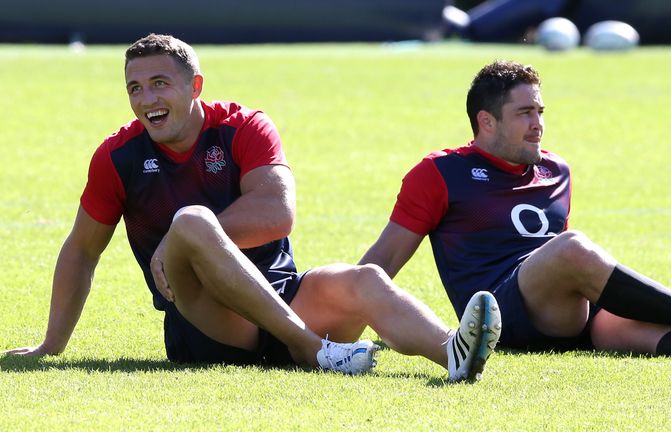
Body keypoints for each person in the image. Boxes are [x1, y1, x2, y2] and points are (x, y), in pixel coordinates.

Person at [3, 34, 502, 382]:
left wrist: (191, 238)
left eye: (159, 83)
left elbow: (277, 214)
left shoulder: (244, 127)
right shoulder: (118, 156)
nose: (145, 98)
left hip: (285, 298)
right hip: (206, 325)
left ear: (195, 87)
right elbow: (81, 250)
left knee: (364, 279)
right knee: (191, 220)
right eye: (134, 87)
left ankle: (452, 352)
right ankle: (310, 348)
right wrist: (52, 345)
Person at [360, 59, 671, 364]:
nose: (538, 124)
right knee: (571, 247)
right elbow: (385, 259)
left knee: (615, 326)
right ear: (486, 121)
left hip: (560, 309)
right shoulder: (440, 172)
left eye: (540, 112)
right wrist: (338, 320)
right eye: (524, 113)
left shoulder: (556, 169)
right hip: (500, 317)